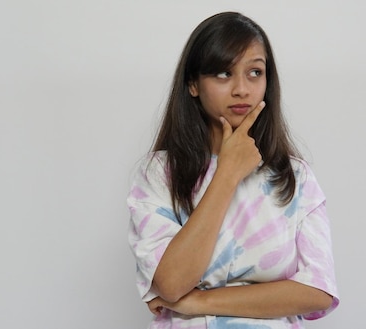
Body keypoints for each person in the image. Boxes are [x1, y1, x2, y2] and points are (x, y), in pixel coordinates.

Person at [127, 11, 339, 328]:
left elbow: (318, 290)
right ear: (193, 85)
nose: (242, 88)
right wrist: (227, 172)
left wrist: (197, 301)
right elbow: (171, 283)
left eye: (255, 72)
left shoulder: (295, 175)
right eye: (224, 74)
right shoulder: (159, 172)